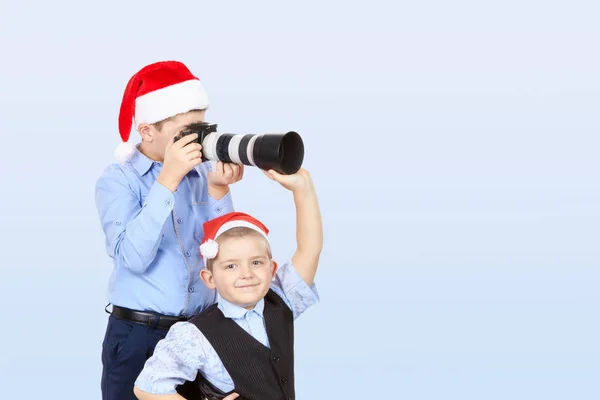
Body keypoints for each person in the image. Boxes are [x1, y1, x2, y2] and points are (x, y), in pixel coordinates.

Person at [95, 60, 244, 400]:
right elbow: (132, 258)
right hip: (139, 335)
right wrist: (167, 181)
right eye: (188, 131)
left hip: (200, 331)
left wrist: (219, 193)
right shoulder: (118, 180)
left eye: (203, 128)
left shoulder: (203, 174)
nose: (200, 140)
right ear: (147, 130)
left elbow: (226, 254)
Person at [133, 167, 323, 400]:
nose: (246, 274)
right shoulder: (195, 335)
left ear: (271, 268)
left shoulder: (282, 300)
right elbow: (147, 388)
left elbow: (310, 250)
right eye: (231, 266)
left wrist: (303, 189)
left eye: (256, 262)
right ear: (209, 278)